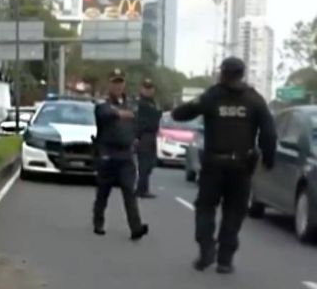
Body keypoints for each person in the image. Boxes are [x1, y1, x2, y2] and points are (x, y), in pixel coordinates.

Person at [171, 57, 276, 274]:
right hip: (241, 166)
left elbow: (179, 114)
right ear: (242, 74)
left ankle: (207, 249)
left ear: (223, 73)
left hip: (214, 164)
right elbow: (269, 133)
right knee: (234, 212)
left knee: (205, 207)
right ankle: (225, 260)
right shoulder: (255, 100)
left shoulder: (212, 96)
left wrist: (199, 102)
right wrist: (268, 159)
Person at [93, 69, 150, 240]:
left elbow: (139, 123)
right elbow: (103, 113)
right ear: (110, 84)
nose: (118, 86)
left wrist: (137, 138)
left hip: (125, 154)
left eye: (120, 82)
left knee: (129, 191)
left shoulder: (131, 104)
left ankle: (136, 227)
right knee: (103, 192)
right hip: (107, 153)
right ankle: (98, 222)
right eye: (115, 82)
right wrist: (119, 113)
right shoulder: (103, 103)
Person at [135, 78, 162, 198]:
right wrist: (137, 136)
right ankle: (141, 190)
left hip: (152, 135)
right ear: (141, 89)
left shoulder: (153, 103)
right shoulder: (140, 103)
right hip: (144, 135)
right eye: (146, 88)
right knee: (145, 164)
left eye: (150, 88)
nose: (148, 90)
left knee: (151, 163)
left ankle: (142, 188)